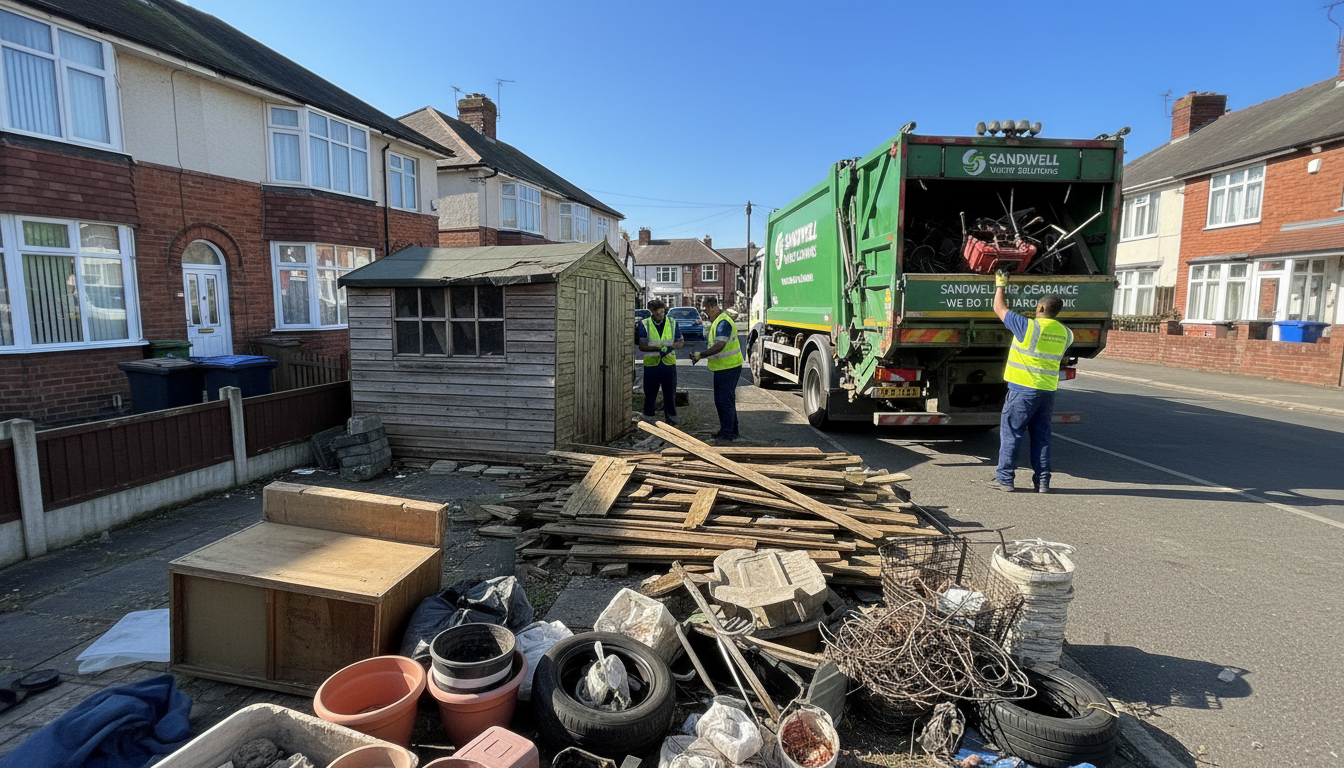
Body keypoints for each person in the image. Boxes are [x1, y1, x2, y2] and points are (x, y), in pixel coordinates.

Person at [991, 270, 1074, 493]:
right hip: (1047, 393)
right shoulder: (1067, 333)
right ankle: (1043, 482)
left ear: (1040, 309)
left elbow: (999, 308)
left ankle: (1005, 479)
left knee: (1012, 434)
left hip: (1022, 390)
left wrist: (1001, 285)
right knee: (1042, 437)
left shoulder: (1028, 326)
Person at [690, 296, 742, 440]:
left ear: (712, 307)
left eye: (706, 309)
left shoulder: (722, 323)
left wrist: (700, 355)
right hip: (725, 367)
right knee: (725, 400)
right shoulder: (719, 321)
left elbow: (720, 345)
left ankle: (727, 434)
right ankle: (731, 431)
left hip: (728, 368)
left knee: (724, 401)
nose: (706, 313)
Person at [636, 299, 684, 424]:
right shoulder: (645, 324)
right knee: (650, 394)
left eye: (662, 312)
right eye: (657, 313)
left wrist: (670, 347)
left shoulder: (672, 322)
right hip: (652, 365)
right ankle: (648, 419)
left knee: (670, 393)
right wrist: (661, 347)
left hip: (668, 363)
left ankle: (671, 418)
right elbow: (642, 346)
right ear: (651, 312)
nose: (661, 315)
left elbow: (680, 342)